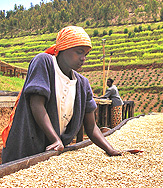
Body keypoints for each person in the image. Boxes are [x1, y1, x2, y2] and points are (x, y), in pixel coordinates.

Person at [1, 26, 121, 164]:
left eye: (86, 54)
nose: (83, 58)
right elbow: (37, 105)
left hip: (51, 154)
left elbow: (91, 127)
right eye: (79, 52)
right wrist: (55, 139)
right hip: (26, 149)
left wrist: (111, 150)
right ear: (63, 49)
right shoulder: (44, 62)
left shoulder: (83, 84)